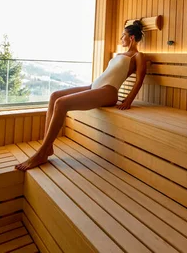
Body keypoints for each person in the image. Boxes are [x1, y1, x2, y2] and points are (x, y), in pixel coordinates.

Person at [15, 20, 147, 171]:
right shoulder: (119, 54)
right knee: (54, 96)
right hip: (95, 86)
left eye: (123, 35)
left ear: (131, 38)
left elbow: (140, 79)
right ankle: (48, 146)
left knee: (61, 103)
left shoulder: (138, 55)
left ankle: (42, 153)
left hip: (108, 91)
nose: (121, 38)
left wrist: (128, 100)